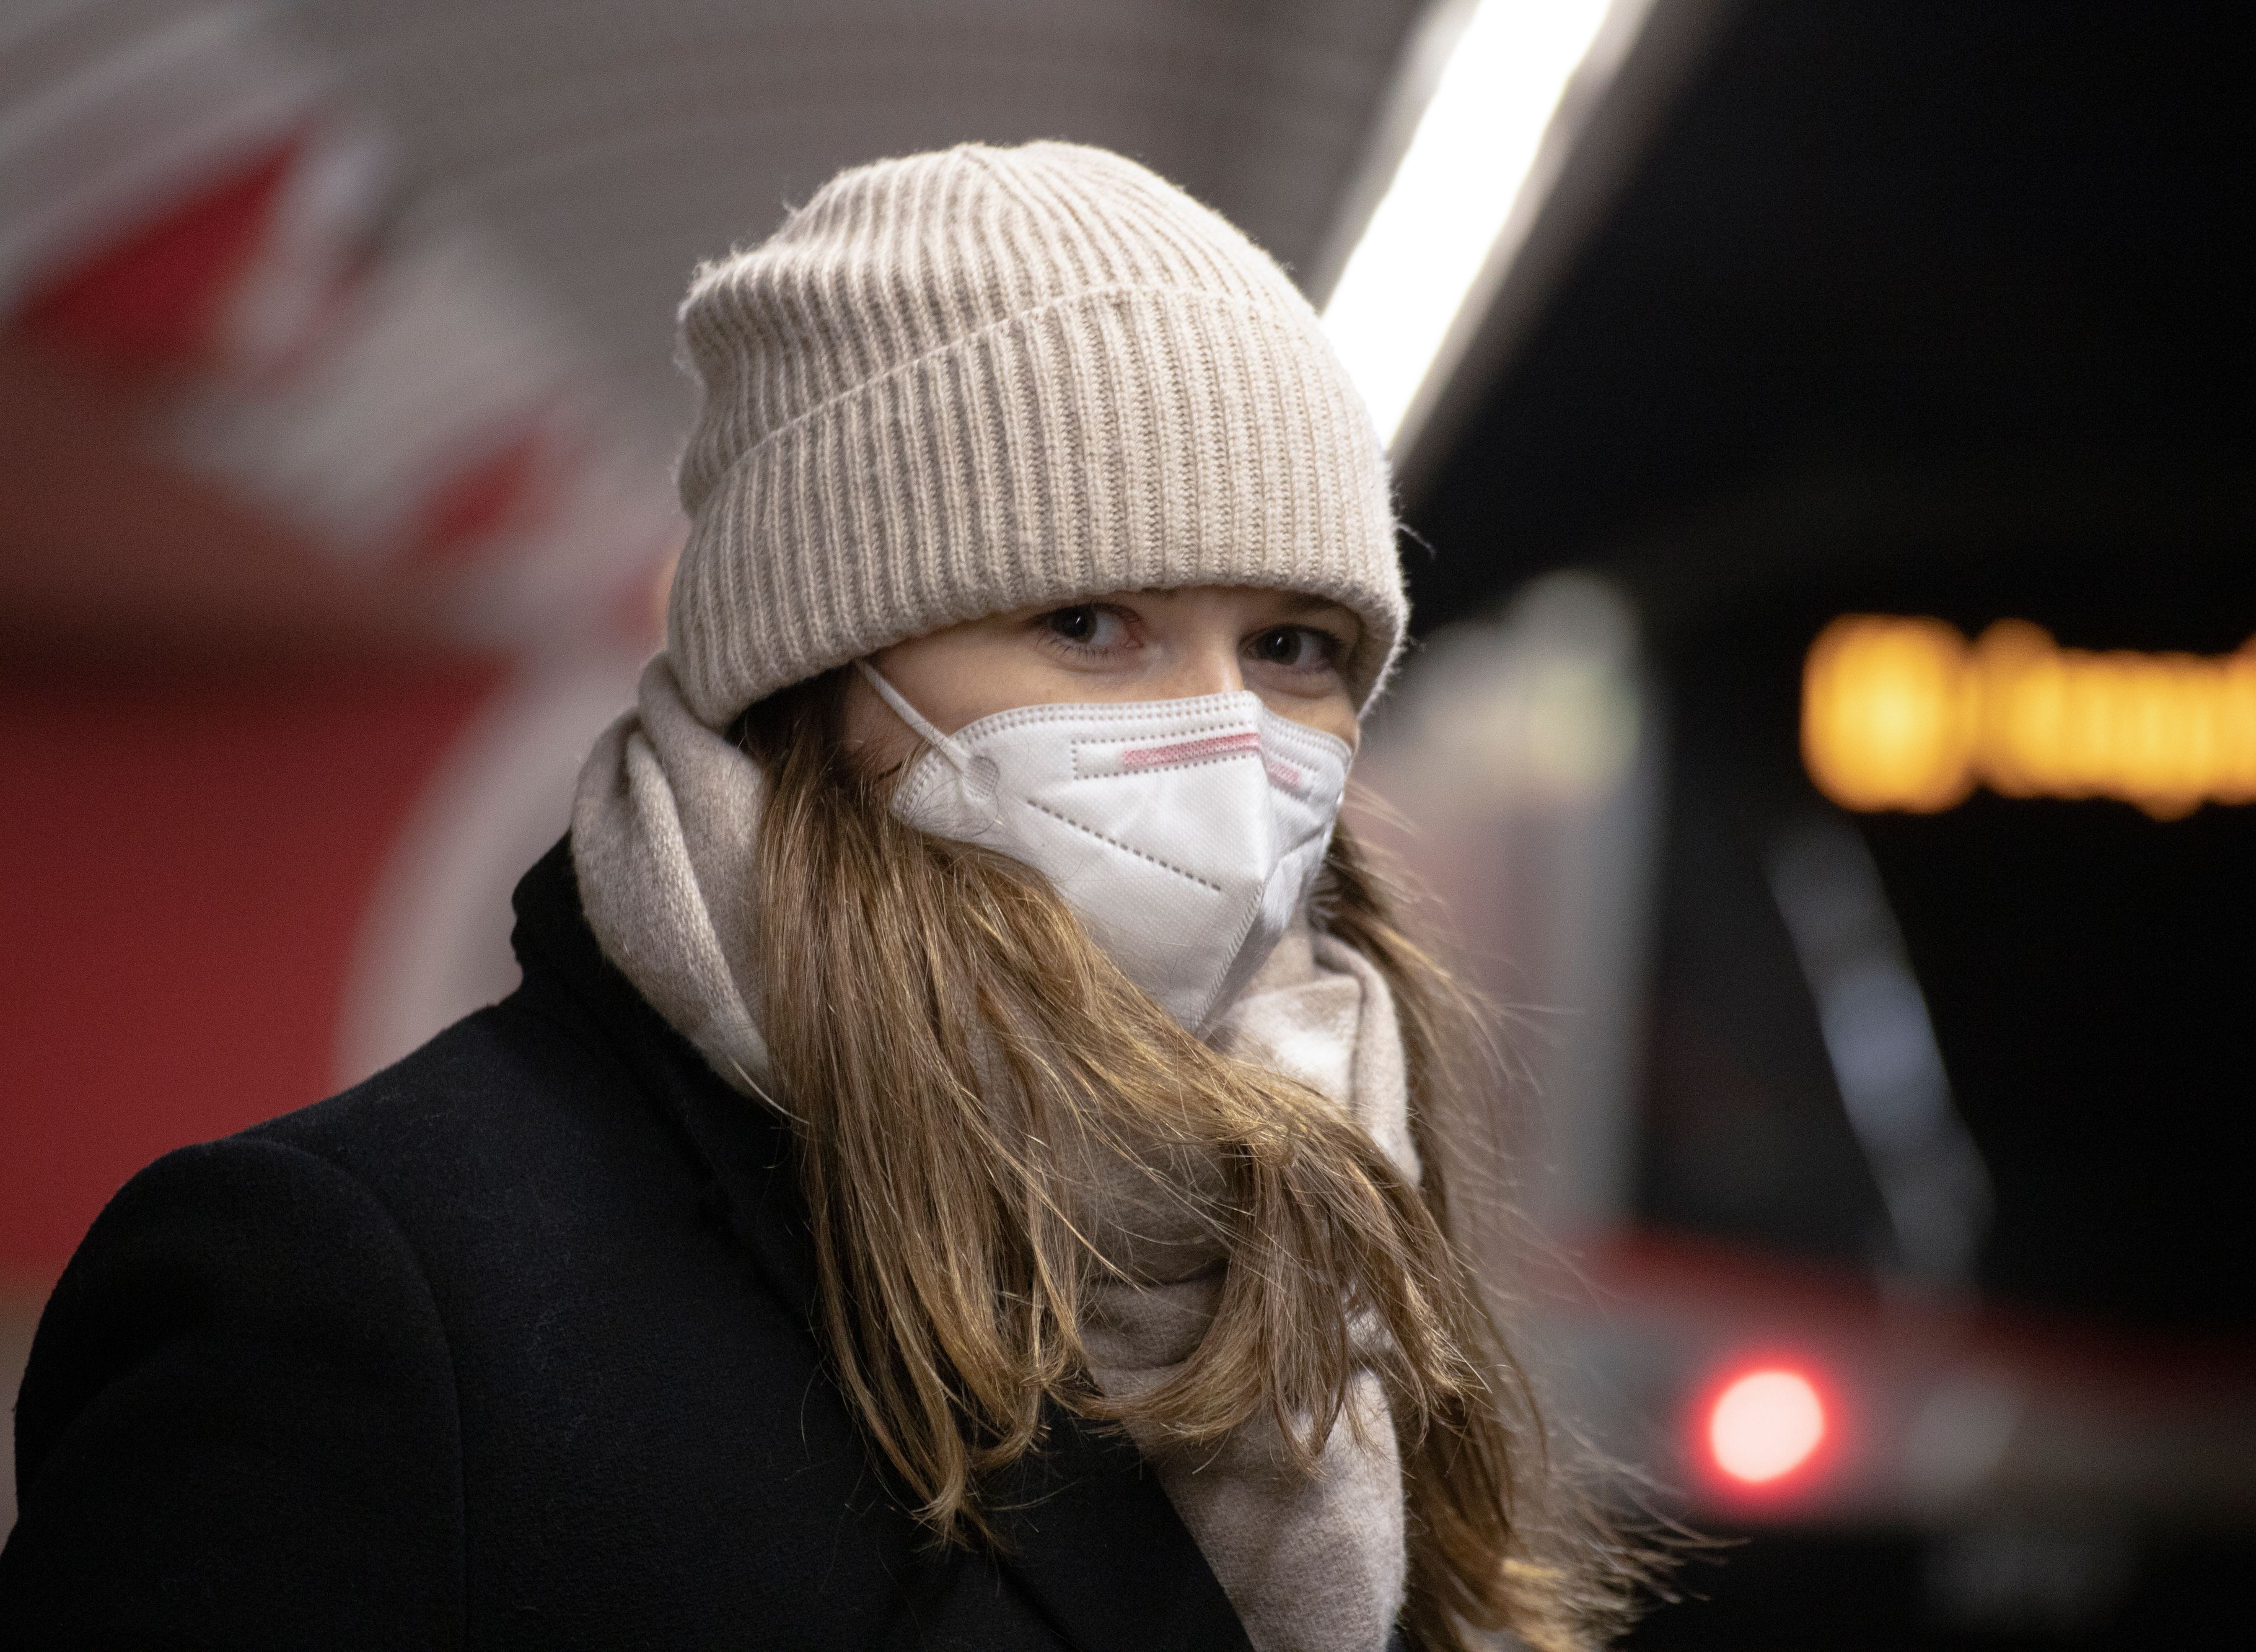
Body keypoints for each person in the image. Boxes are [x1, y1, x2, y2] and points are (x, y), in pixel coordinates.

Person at [1, 142, 1648, 1650]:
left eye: (1293, 647)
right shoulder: (362, 1294)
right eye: (1087, 623)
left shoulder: (1330, 1258)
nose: (1228, 737)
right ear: (815, 672)